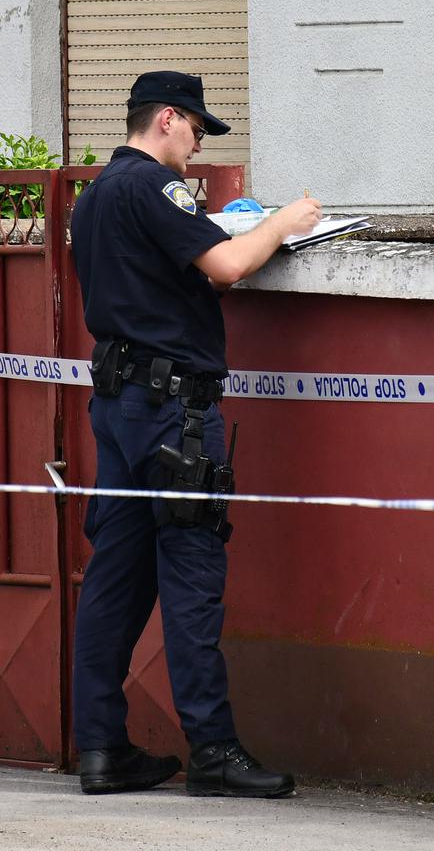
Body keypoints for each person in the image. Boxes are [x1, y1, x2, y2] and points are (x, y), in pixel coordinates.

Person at [69, 71, 322, 798]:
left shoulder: (94, 198)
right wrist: (285, 219)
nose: (199, 145)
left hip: (119, 408)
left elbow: (164, 280)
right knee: (190, 578)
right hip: (173, 414)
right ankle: (212, 750)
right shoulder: (153, 188)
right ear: (168, 121)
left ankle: (101, 749)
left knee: (113, 581)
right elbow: (229, 265)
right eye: (198, 130)